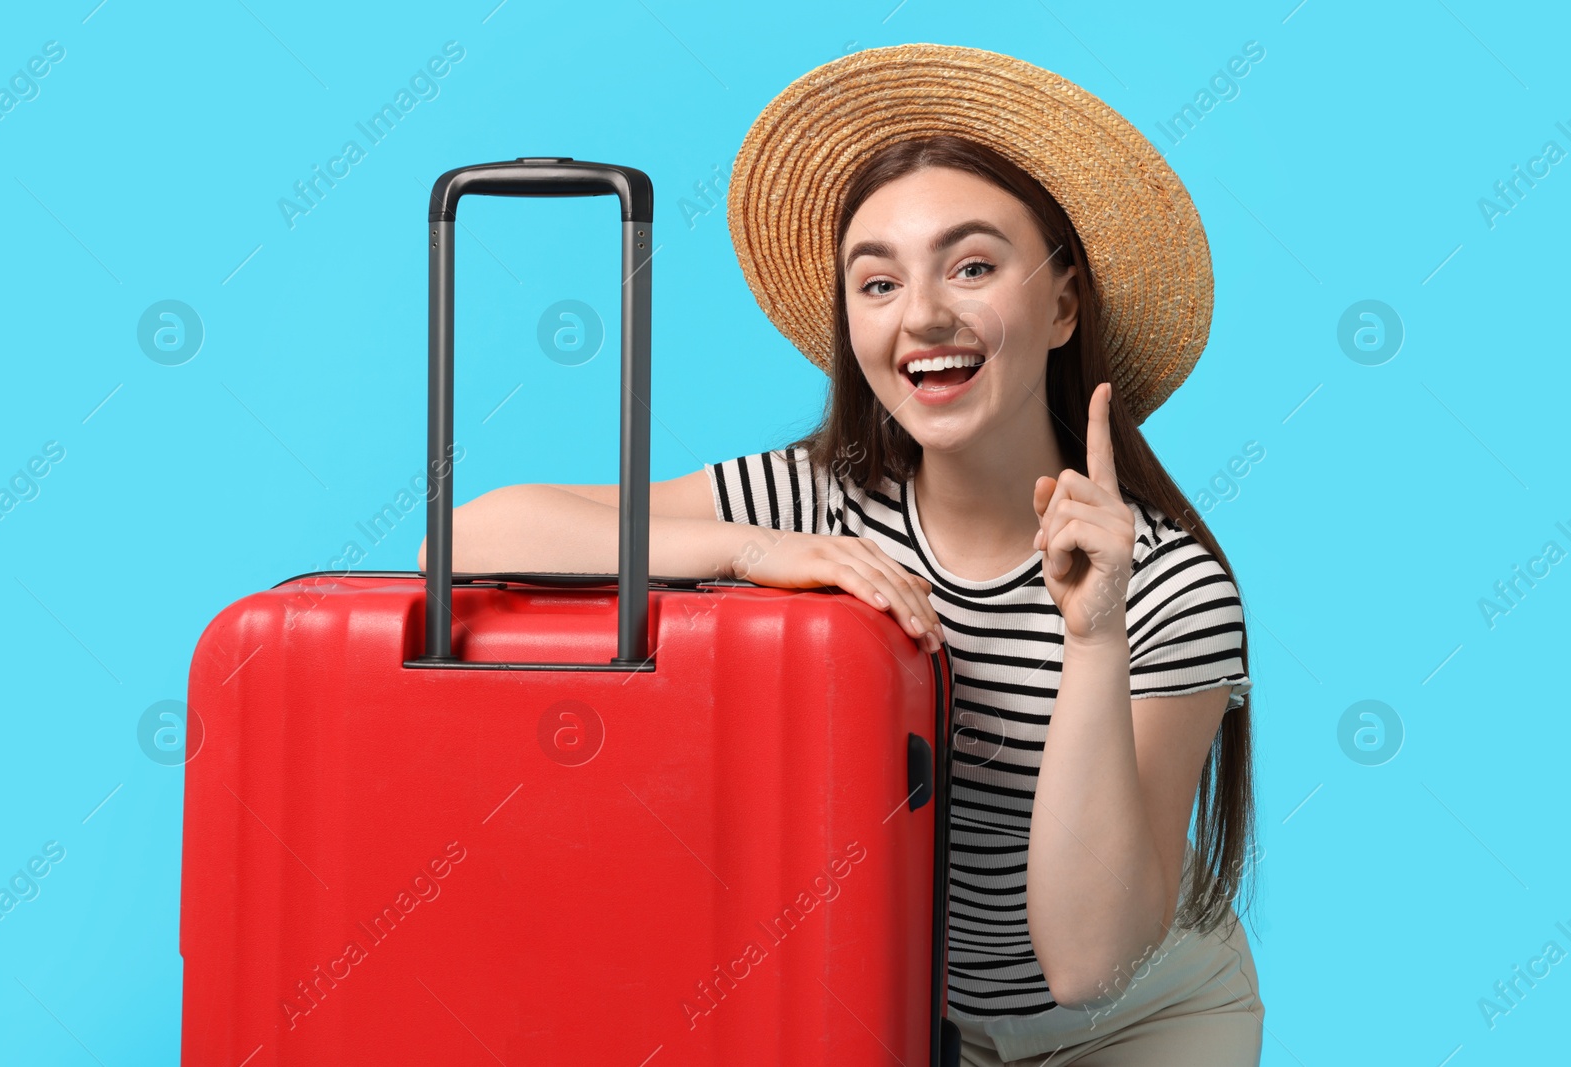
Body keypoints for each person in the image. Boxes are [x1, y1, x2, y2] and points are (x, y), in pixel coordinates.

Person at [432, 42, 1264, 1067]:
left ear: (1060, 305)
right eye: (877, 282)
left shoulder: (1171, 586)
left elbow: (1088, 963)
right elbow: (464, 538)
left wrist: (1092, 637)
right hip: (918, 1009)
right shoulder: (808, 505)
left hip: (1139, 1018)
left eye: (972, 266)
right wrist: (742, 550)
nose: (921, 315)